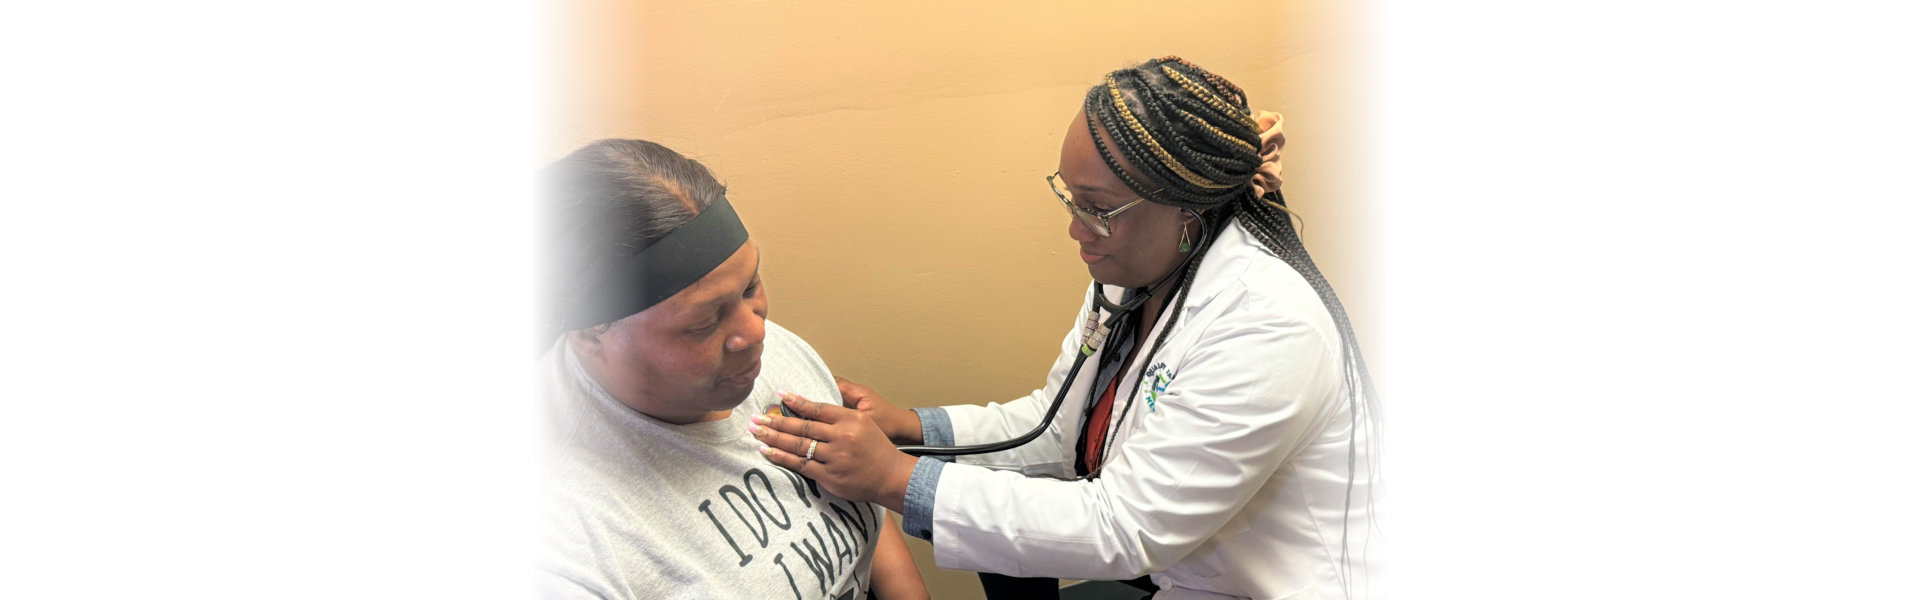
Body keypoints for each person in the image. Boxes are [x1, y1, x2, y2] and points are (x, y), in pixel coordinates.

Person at [747, 57, 1380, 600]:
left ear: (1188, 212)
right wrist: (909, 426)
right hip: (1187, 572)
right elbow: (1055, 429)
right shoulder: (1137, 275)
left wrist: (893, 477)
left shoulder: (1266, 326)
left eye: (1100, 210)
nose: (1076, 229)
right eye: (1070, 198)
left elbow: (1124, 529)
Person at [535, 139, 929, 600]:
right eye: (704, 322)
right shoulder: (557, 540)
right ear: (589, 334)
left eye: (751, 287)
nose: (757, 332)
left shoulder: (754, 350)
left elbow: (858, 494)